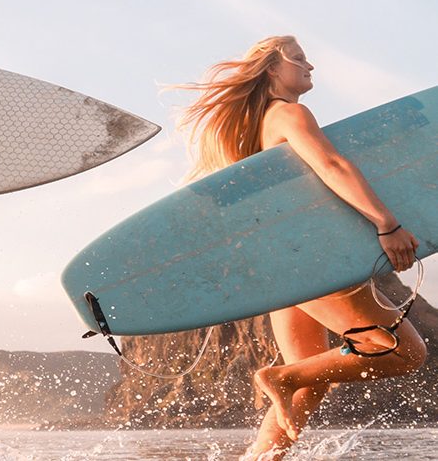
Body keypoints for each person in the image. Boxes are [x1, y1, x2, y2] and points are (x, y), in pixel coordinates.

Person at [176, 36, 427, 460]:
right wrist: (388, 224)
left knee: (313, 382)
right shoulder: (289, 113)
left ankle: (261, 457)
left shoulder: (257, 126)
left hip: (284, 266)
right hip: (314, 261)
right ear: (273, 69)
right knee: (403, 352)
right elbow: (331, 166)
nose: (309, 66)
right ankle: (278, 377)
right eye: (298, 59)